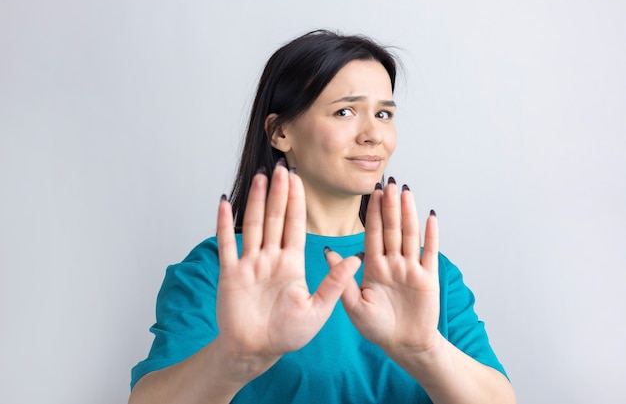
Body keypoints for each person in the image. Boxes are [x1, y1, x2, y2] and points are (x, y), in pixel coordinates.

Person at [128, 30, 516, 404]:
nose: (373, 134)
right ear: (280, 132)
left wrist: (424, 349)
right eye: (345, 111)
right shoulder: (219, 270)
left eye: (384, 114)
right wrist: (235, 358)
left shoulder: (425, 272)